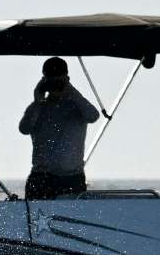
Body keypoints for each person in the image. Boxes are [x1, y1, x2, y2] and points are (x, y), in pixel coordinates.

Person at [18, 57, 100, 200]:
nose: (56, 86)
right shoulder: (38, 108)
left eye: (59, 82)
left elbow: (93, 116)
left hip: (72, 178)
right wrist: (37, 99)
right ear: (44, 81)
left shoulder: (77, 106)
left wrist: (70, 90)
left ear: (67, 79)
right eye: (51, 81)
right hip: (41, 177)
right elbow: (24, 128)